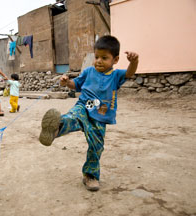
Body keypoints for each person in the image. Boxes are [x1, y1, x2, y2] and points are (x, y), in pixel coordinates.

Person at [38, 35, 139, 191]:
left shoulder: (115, 75)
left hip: (101, 115)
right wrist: (66, 82)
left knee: (96, 146)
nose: (98, 60)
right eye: (97, 56)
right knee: (74, 117)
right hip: (85, 105)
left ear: (115, 59)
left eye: (104, 58)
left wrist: (134, 61)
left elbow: (130, 73)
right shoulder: (89, 71)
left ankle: (90, 175)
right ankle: (56, 127)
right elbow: (75, 85)